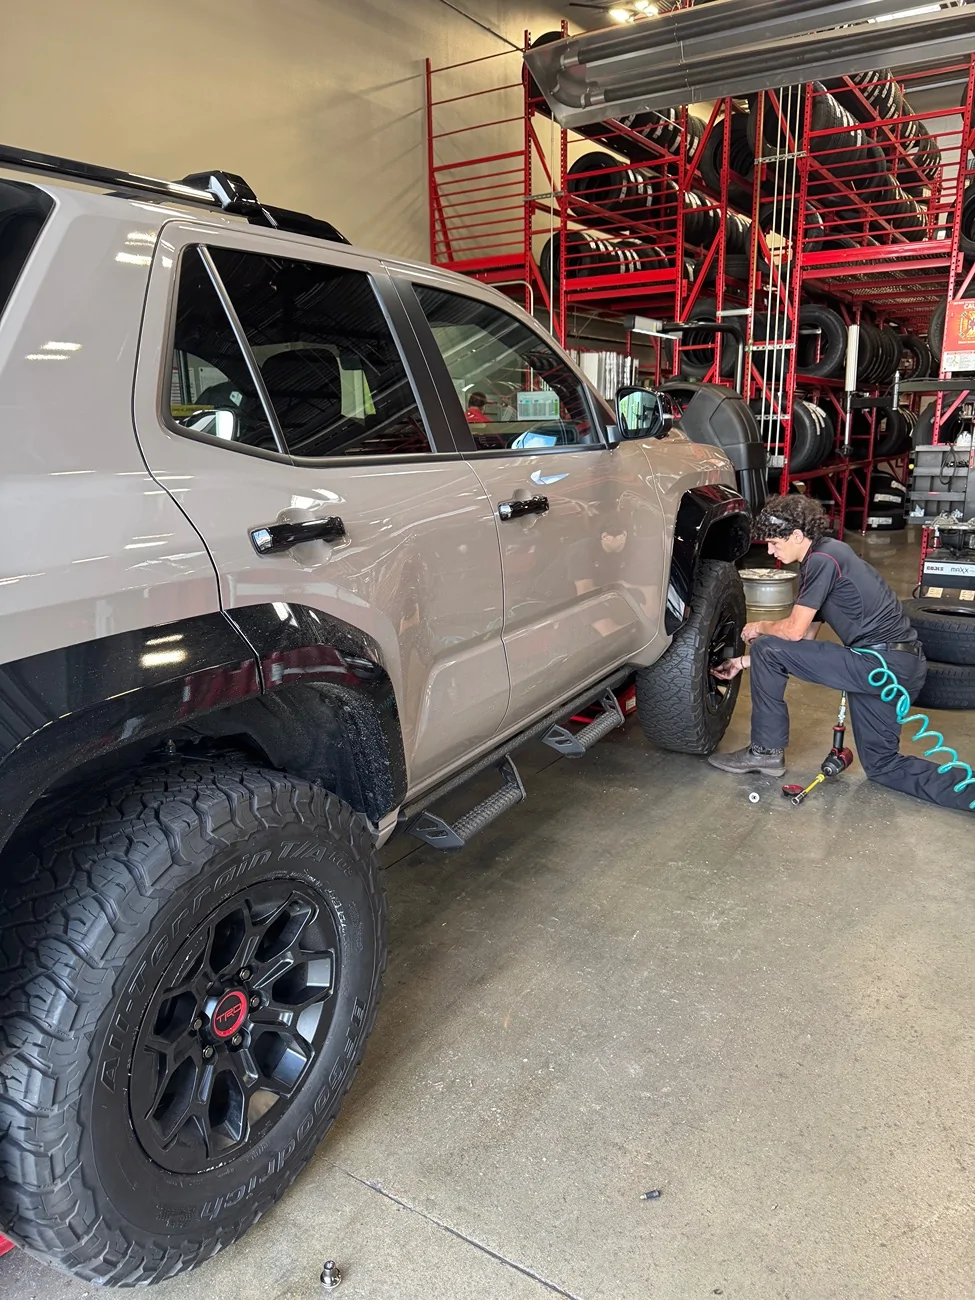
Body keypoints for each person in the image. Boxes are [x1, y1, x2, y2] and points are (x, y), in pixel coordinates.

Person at [707, 493, 972, 812]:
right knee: (882, 766)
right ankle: (969, 793)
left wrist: (759, 626)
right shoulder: (825, 558)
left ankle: (766, 751)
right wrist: (742, 662)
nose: (771, 551)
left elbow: (791, 632)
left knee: (766, 643)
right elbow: (801, 642)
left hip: (881, 665)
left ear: (796, 535)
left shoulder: (823, 559)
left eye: (775, 543)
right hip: (893, 667)